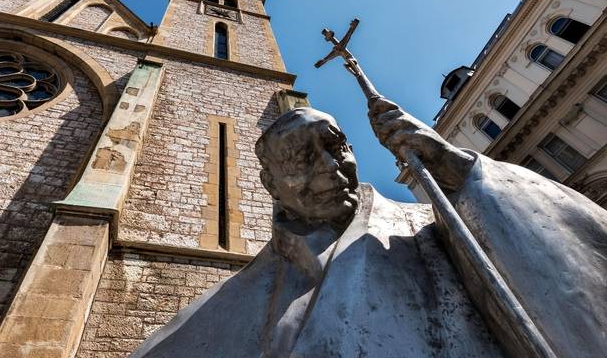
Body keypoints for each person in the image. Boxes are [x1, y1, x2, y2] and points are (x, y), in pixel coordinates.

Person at [132, 101, 606, 358]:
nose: (332, 170)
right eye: (301, 157)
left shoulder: (436, 226)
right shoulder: (217, 312)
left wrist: (457, 168)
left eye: (336, 148)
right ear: (269, 184)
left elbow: (573, 262)